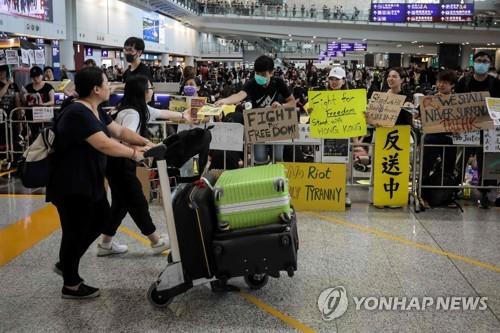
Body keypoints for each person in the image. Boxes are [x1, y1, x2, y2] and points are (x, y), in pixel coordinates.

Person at [46, 67, 153, 299]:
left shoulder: (96, 110)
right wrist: (133, 154)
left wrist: (147, 143)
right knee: (75, 231)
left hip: (90, 182)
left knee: (102, 219)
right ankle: (71, 284)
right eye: (106, 83)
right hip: (70, 184)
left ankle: (67, 262)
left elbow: (120, 131)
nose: (110, 86)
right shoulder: (77, 112)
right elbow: (104, 143)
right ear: (96, 89)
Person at [98, 75, 191, 256]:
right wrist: (144, 150)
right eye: (150, 88)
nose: (152, 91)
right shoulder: (132, 114)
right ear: (142, 92)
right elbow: (126, 139)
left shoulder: (138, 108)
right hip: (119, 163)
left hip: (117, 162)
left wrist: (182, 116)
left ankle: (105, 244)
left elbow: (161, 113)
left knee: (120, 205)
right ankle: (156, 241)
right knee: (137, 201)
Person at [215, 55, 295, 164]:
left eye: (263, 74)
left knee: (278, 158)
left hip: (277, 124)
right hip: (258, 126)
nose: (259, 77)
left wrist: (281, 106)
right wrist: (224, 101)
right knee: (259, 158)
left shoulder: (278, 83)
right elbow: (239, 95)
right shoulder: (252, 83)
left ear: (271, 73)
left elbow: (292, 102)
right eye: (257, 73)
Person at [455, 52, 500, 208]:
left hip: (488, 129)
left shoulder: (495, 83)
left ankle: (487, 194)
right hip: (466, 127)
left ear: (490, 64)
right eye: (479, 61)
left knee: (486, 161)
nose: (482, 63)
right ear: (474, 63)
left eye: (485, 61)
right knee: (460, 159)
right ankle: (454, 188)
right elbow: (455, 103)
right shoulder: (463, 81)